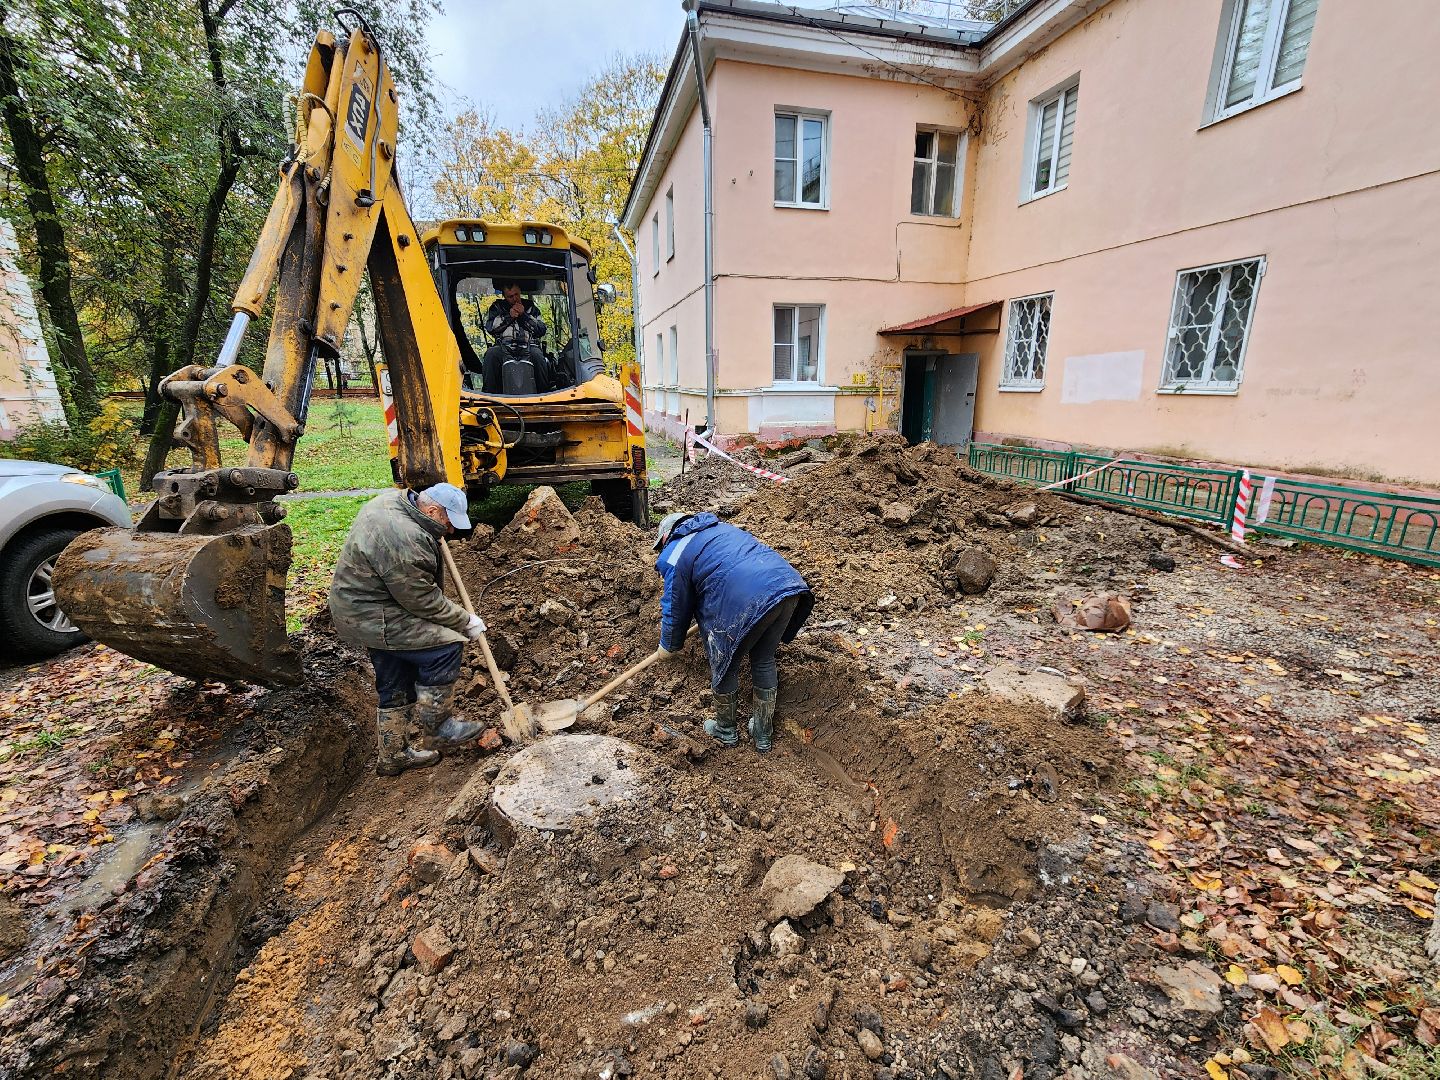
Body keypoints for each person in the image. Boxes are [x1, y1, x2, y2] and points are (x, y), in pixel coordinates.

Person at [328, 483, 488, 776]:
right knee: (446, 646)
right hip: (374, 612)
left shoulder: (396, 503)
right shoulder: (406, 538)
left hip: (363, 605)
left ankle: (393, 756)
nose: (451, 532)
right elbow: (423, 601)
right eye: (448, 523)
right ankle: (439, 728)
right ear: (431, 511)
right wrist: (465, 621)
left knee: (394, 676)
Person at [652, 512, 814, 752]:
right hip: (787, 587)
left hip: (745, 599)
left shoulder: (675, 549)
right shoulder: (723, 529)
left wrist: (669, 644)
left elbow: (675, 604)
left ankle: (725, 730)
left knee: (726, 662)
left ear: (666, 535)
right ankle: (762, 734)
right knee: (763, 658)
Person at [482, 280, 551, 394]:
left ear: (520, 292)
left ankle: (545, 394)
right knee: (490, 355)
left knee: (538, 356)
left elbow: (541, 329)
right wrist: (509, 317)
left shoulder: (531, 307)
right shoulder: (497, 307)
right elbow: (491, 328)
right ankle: (489, 395)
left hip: (529, 346)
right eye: (510, 296)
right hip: (503, 347)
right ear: (504, 296)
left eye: (516, 295)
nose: (514, 299)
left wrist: (524, 315)